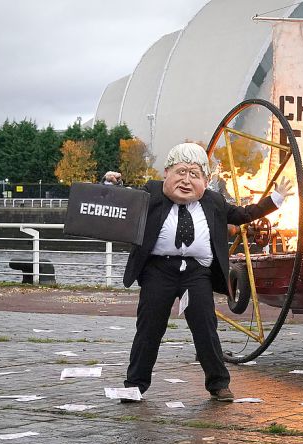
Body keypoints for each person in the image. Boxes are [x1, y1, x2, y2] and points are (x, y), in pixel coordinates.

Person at [121, 143, 293, 402]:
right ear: (166, 173)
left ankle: (219, 383)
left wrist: (275, 199)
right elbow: (122, 206)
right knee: (148, 329)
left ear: (206, 180)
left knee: (205, 328)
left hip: (195, 273)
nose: (186, 181)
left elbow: (243, 214)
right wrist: (110, 187)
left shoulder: (213, 201)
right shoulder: (150, 193)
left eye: (194, 174)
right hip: (159, 271)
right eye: (180, 172)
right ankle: (135, 384)